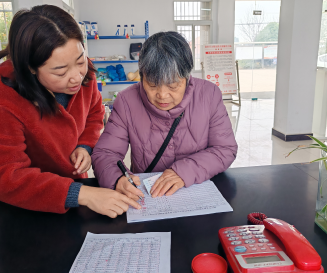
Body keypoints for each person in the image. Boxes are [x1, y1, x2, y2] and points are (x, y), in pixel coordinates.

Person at [0, 5, 141, 217]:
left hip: (69, 193)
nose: (77, 77)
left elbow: (94, 113)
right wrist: (83, 194)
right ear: (30, 68)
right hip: (14, 205)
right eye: (60, 72)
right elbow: (6, 176)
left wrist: (85, 146)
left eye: (80, 60)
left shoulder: (83, 70)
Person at [92, 31, 238, 201]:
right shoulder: (126, 101)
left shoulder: (209, 94)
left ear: (187, 77)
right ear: (142, 75)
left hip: (199, 191)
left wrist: (184, 171)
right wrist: (117, 179)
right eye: (152, 85)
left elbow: (225, 148)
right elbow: (105, 153)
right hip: (149, 196)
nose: (162, 95)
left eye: (173, 86)